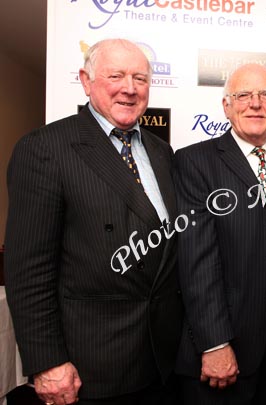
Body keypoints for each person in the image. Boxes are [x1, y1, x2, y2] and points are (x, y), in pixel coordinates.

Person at [4, 39, 182, 405]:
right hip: (91, 368)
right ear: (86, 81)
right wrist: (48, 362)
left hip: (162, 362)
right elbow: (28, 270)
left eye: (140, 78)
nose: (129, 88)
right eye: (115, 75)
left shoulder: (162, 152)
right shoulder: (47, 148)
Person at [174, 63, 266, 405]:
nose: (255, 103)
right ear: (227, 106)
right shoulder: (195, 162)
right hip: (229, 334)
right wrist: (215, 342)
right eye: (243, 95)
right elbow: (196, 262)